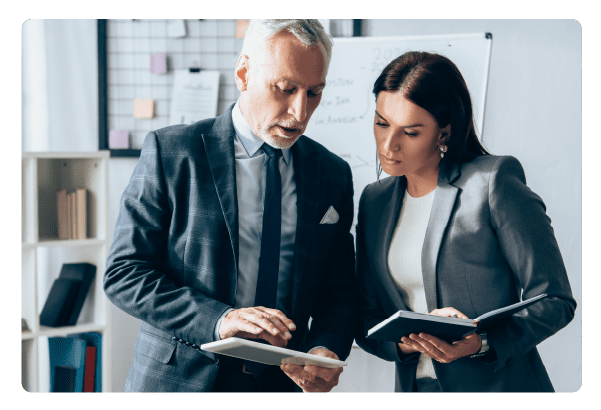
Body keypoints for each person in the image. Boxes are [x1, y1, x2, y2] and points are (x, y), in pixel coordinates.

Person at [104, 19, 356, 393]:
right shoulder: (172, 153)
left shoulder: (332, 173)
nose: (300, 112)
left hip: (282, 386)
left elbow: (339, 291)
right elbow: (124, 273)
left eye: (314, 92)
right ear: (243, 73)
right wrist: (220, 319)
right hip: (178, 381)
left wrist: (325, 347)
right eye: (286, 89)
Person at [354, 51, 576, 393]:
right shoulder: (374, 200)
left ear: (444, 133)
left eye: (410, 133)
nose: (388, 145)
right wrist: (410, 342)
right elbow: (367, 318)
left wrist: (480, 341)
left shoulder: (492, 183)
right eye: (381, 123)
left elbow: (555, 300)